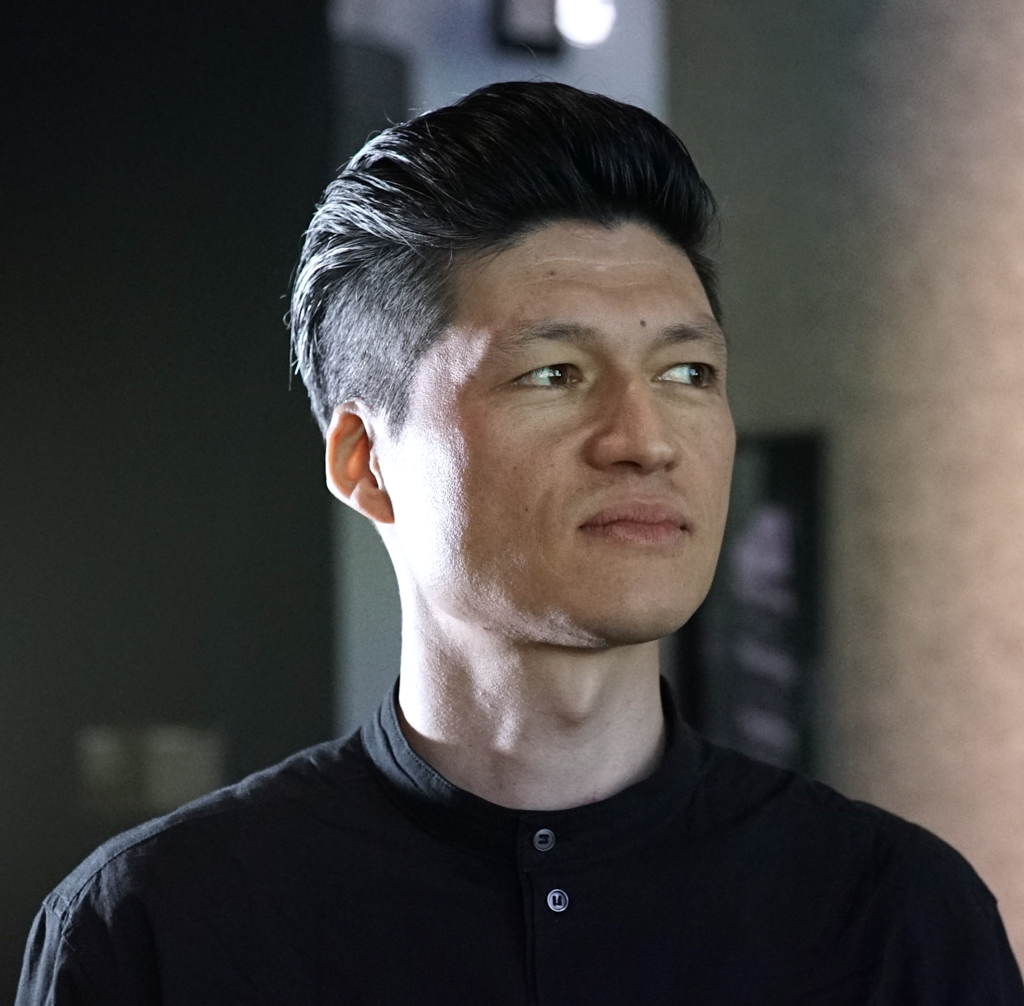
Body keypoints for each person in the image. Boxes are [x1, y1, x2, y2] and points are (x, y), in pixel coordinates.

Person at [16, 81, 1024, 1005]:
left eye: (687, 374)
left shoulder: (895, 919)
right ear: (366, 462)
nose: (645, 440)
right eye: (553, 374)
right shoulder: (161, 927)